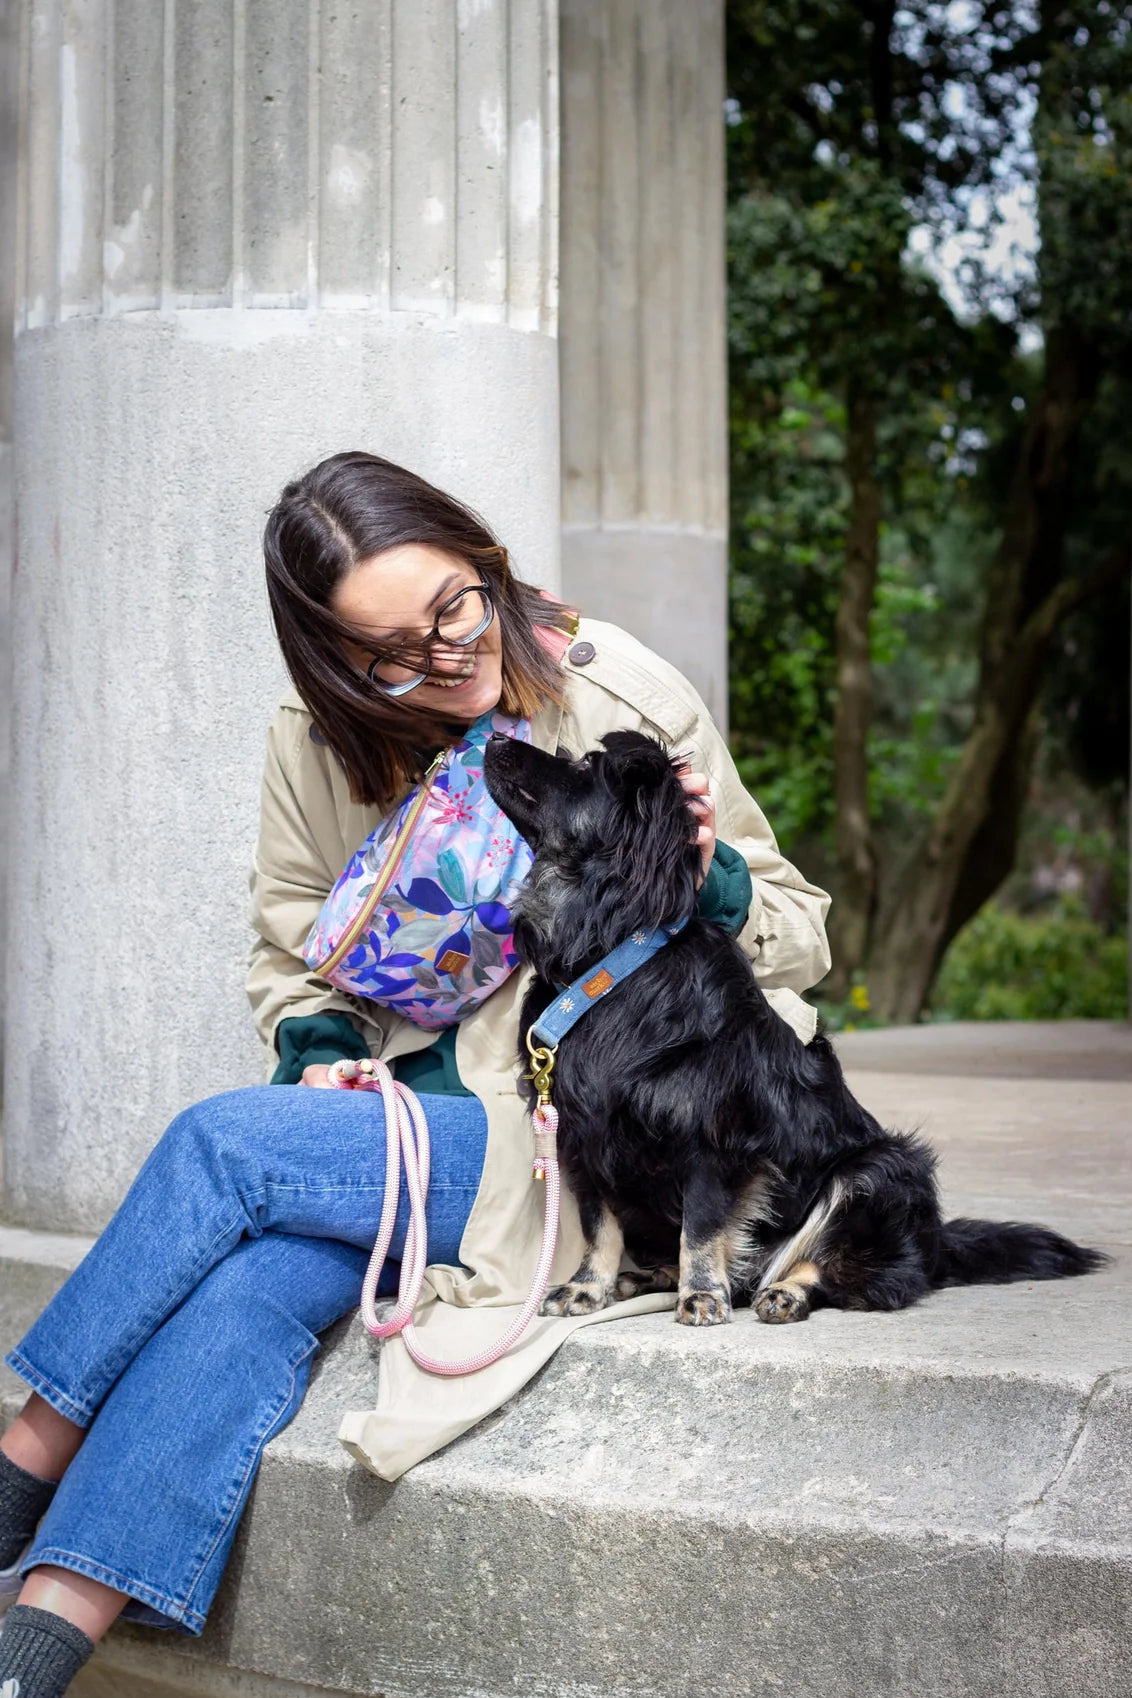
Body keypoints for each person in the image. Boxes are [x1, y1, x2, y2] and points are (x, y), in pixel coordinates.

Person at [0, 451, 831, 1695]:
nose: (444, 655)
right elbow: (291, 939)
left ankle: (20, 1460)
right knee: (245, 1292)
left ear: (483, 561)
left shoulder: (617, 692)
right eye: (391, 650)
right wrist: (322, 1051)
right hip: (392, 1122)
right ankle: (31, 1656)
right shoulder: (318, 739)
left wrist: (705, 881)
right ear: (337, 662)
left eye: (453, 605)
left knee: (225, 1146)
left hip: (574, 1140)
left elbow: (796, 923)